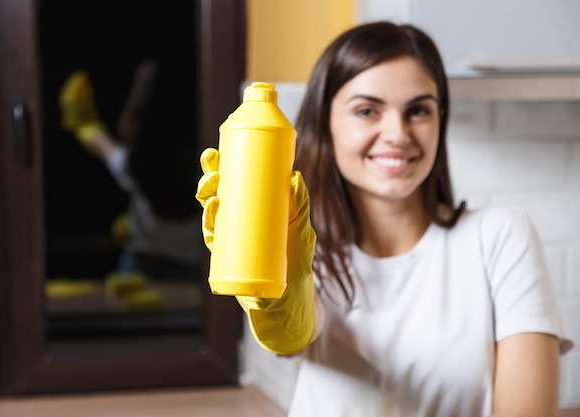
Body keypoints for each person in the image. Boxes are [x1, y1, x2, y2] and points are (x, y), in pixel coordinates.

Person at [196, 21, 574, 417]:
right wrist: (273, 295)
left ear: (440, 120)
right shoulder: (304, 243)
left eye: (418, 110)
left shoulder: (499, 237)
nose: (397, 133)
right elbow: (293, 335)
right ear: (327, 122)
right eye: (366, 110)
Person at [59, 60, 203, 291]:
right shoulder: (208, 163)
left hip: (141, 268)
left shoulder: (137, 163)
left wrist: (84, 124)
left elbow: (102, 144)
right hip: (193, 271)